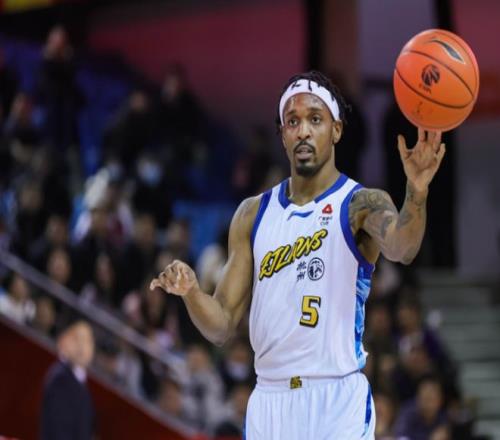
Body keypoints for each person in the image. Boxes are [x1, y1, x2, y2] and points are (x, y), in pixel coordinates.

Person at [150, 71, 446, 439]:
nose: (303, 130)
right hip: (270, 399)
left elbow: (403, 248)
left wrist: (416, 191)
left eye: (315, 119)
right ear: (282, 134)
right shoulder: (252, 214)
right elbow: (221, 325)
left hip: (336, 397)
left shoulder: (361, 204)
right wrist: (192, 293)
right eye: (293, 121)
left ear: (336, 130)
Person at [40, 320, 96, 440]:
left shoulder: (79, 382)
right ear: (65, 340)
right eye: (77, 339)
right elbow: (59, 430)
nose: (82, 346)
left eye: (87, 341)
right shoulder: (61, 379)